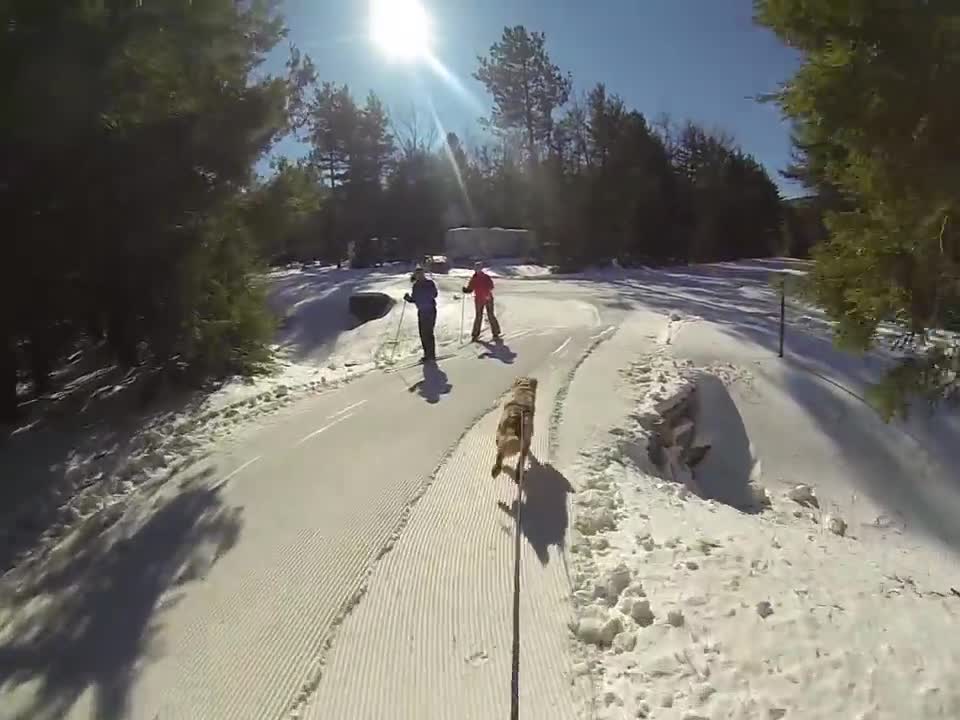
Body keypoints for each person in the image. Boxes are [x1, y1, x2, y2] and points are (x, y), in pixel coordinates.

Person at [404, 265, 438, 363]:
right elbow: (414, 299)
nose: (419, 276)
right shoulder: (416, 286)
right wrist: (408, 298)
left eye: (421, 274)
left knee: (428, 333)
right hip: (421, 311)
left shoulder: (429, 283)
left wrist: (427, 291)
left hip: (430, 310)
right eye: (417, 274)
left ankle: (431, 355)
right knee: (423, 334)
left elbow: (435, 294)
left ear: (423, 274)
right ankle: (427, 354)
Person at [463, 261, 501, 342]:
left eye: (478, 268)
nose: (477, 270)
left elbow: (491, 286)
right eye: (476, 268)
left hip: (488, 298)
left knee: (490, 314)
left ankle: (496, 332)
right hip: (479, 299)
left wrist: (486, 293)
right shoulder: (474, 277)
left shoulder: (486, 277)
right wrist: (466, 290)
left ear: (481, 268)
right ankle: (475, 334)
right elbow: (471, 288)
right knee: (478, 316)